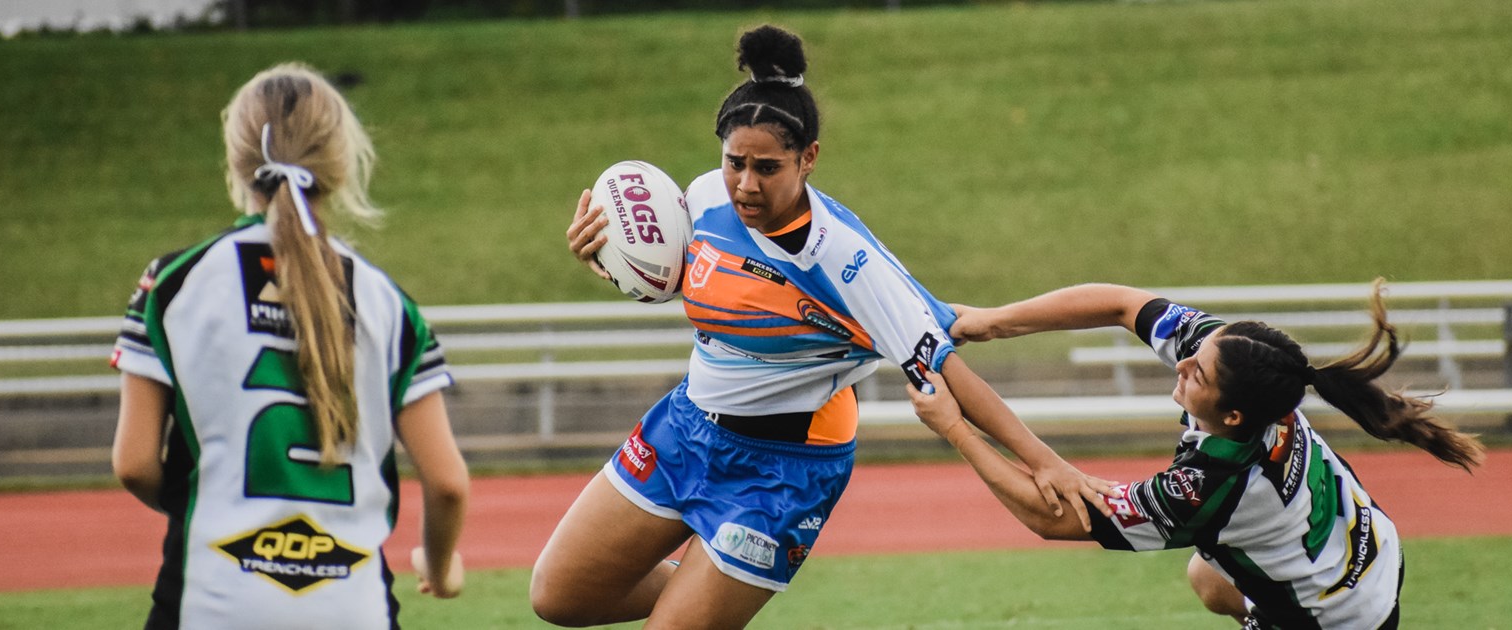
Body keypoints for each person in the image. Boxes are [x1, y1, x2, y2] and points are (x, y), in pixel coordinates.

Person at [535, 25, 1113, 628]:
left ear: (809, 158)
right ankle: (708, 597)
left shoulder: (845, 261)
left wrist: (1046, 461)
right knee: (561, 596)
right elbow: (695, 281)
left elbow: (947, 372)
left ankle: (711, 597)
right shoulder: (705, 196)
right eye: (735, 163)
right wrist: (612, 259)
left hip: (784, 471)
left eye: (768, 167)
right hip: (685, 428)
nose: (746, 184)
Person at [109, 62, 469, 629]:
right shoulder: (386, 302)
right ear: (341, 166)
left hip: (210, 599)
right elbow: (448, 483)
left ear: (236, 161)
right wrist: (442, 567)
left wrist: (207, 509)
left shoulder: (174, 282)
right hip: (354, 607)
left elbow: (133, 464)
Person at [909, 279, 1485, 629]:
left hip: (1337, 619)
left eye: (1198, 373)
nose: (1183, 364)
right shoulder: (1238, 359)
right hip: (1367, 549)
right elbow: (1121, 304)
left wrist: (955, 429)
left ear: (1232, 417)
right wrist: (988, 324)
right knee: (1208, 579)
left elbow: (1053, 517)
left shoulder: (1213, 487)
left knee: (1211, 576)